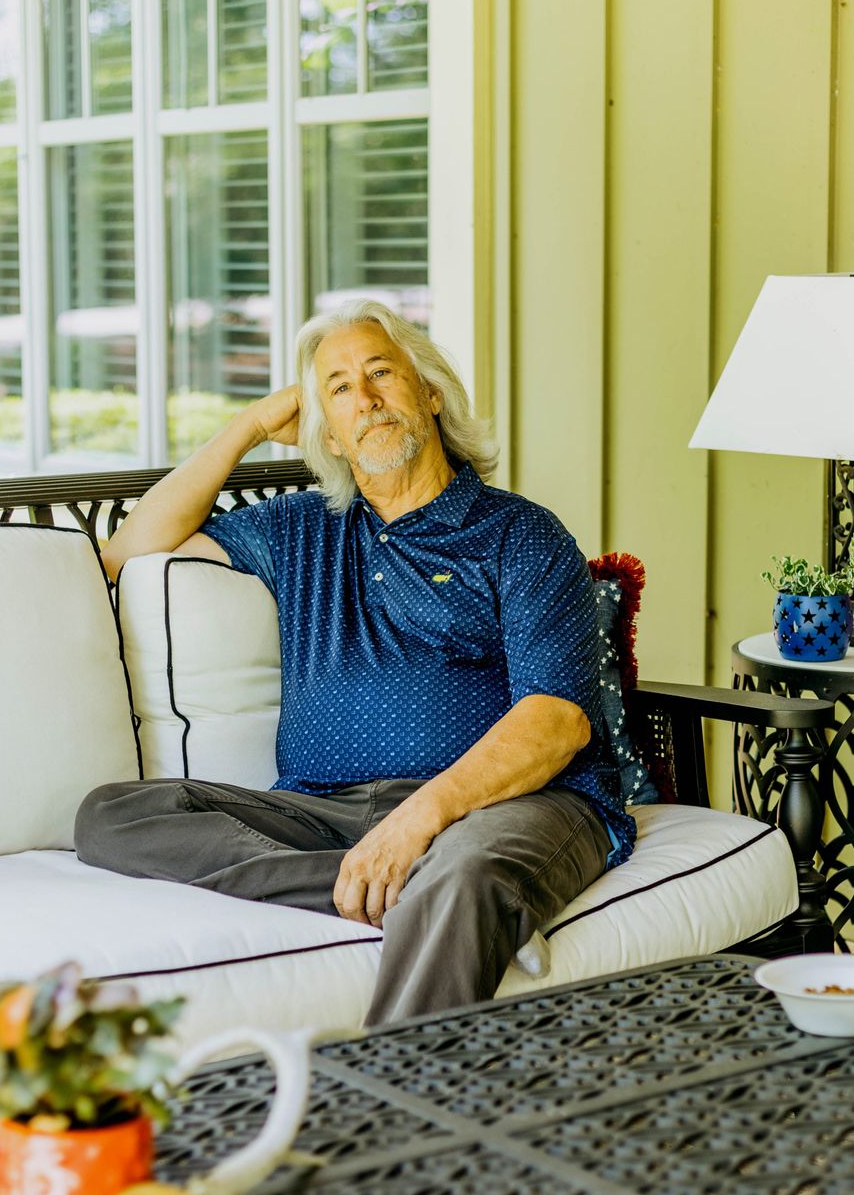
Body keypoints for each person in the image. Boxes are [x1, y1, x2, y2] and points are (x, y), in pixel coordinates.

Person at [75, 299, 635, 1024]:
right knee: (111, 815)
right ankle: (388, 886)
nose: (365, 399)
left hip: (502, 807)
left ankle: (398, 1107)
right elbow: (125, 554)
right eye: (338, 389)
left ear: (430, 395)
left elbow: (556, 721)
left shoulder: (519, 535)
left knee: (462, 875)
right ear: (328, 435)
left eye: (381, 373)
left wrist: (420, 821)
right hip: (328, 810)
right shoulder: (300, 527)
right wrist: (247, 427)